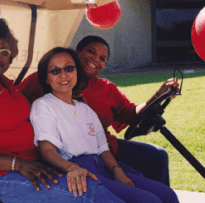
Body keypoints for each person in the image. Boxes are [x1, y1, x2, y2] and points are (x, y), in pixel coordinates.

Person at [0, 18, 126, 203]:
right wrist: (18, 164)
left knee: (90, 182)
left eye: (4, 51)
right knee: (88, 193)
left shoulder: (8, 86)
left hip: (32, 166)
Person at [17, 35, 179, 186]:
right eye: (91, 52)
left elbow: (131, 114)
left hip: (106, 149)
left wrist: (159, 94)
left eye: (102, 59)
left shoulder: (105, 89)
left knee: (157, 156)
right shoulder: (46, 80)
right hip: (70, 156)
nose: (95, 60)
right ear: (76, 53)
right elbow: (15, 103)